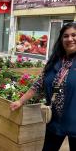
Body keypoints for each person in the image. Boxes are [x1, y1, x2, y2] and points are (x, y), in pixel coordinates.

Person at [10, 22, 76, 151]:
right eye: (65, 36)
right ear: (61, 40)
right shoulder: (55, 61)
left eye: (74, 35)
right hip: (55, 121)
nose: (70, 39)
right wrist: (20, 101)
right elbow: (39, 84)